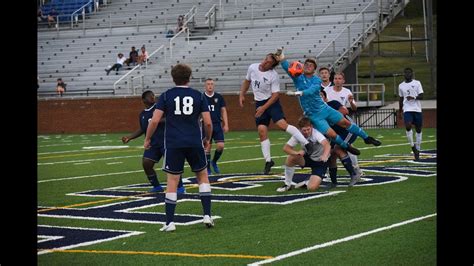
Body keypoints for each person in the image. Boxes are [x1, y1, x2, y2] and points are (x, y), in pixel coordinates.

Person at [144, 63, 214, 232]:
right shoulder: (199, 95)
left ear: (173, 78)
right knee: (202, 177)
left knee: (172, 181)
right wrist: (207, 139)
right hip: (194, 142)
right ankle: (207, 216)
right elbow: (208, 122)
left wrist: (147, 138)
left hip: (174, 143)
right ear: (189, 78)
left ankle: (169, 223)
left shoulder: (166, 96)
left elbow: (154, 121)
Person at [274, 48, 381, 155]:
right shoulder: (298, 78)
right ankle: (346, 146)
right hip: (314, 115)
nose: (307, 66)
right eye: (306, 64)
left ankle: (367, 138)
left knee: (346, 123)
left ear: (314, 70)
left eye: (310, 65)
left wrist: (299, 93)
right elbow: (287, 67)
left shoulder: (316, 80)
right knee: (332, 135)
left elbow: (312, 90)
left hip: (324, 109)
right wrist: (281, 57)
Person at [239, 51, 314, 175]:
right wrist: (242, 94)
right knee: (261, 131)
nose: (265, 62)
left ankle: (307, 143)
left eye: (268, 62)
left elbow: (275, 96)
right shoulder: (252, 67)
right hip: (259, 103)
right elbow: (247, 81)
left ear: (272, 66)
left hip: (271, 103)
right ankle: (268, 161)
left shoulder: (273, 75)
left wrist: (263, 108)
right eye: (265, 59)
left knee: (282, 125)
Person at [122, 90, 185, 194]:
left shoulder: (160, 108)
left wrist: (157, 120)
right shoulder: (143, 114)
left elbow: (171, 118)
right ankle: (157, 186)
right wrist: (130, 137)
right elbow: (143, 129)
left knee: (172, 165)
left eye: (153, 95)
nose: (153, 97)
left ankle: (180, 187)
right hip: (153, 143)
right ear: (143, 100)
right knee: (146, 163)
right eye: (150, 96)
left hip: (167, 141)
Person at [276, 117, 331, 192]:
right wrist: (296, 153)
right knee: (291, 158)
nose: (307, 132)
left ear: (311, 127)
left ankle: (306, 182)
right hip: (308, 158)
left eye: (308, 129)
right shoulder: (298, 134)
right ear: (300, 129)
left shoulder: (316, 133)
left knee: (312, 188)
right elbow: (286, 148)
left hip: (320, 161)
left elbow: (327, 145)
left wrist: (324, 155)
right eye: (304, 130)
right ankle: (287, 185)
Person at [323, 72, 361, 177]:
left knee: (342, 145)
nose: (337, 80)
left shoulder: (347, 91)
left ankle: (355, 167)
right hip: (330, 122)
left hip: (342, 120)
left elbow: (354, 108)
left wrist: (351, 101)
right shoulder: (327, 91)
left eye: (340, 78)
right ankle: (326, 169)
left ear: (343, 81)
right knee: (330, 146)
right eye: (335, 78)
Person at [203, 78, 229, 175]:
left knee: (220, 146)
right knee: (207, 147)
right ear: (205, 86)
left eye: (212, 84)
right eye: (208, 84)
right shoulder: (202, 97)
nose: (210, 86)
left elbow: (223, 111)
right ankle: (208, 167)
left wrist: (226, 124)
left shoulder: (219, 97)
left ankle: (214, 162)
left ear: (214, 86)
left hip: (217, 124)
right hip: (205, 125)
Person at [398, 67, 424, 161]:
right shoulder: (401, 85)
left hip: (417, 109)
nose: (407, 74)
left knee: (418, 129)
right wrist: (400, 110)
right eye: (406, 73)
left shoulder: (417, 83)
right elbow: (401, 99)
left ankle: (418, 149)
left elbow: (422, 96)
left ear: (412, 74)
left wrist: (413, 97)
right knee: (408, 126)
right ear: (404, 74)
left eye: (409, 73)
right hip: (407, 109)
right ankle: (413, 147)